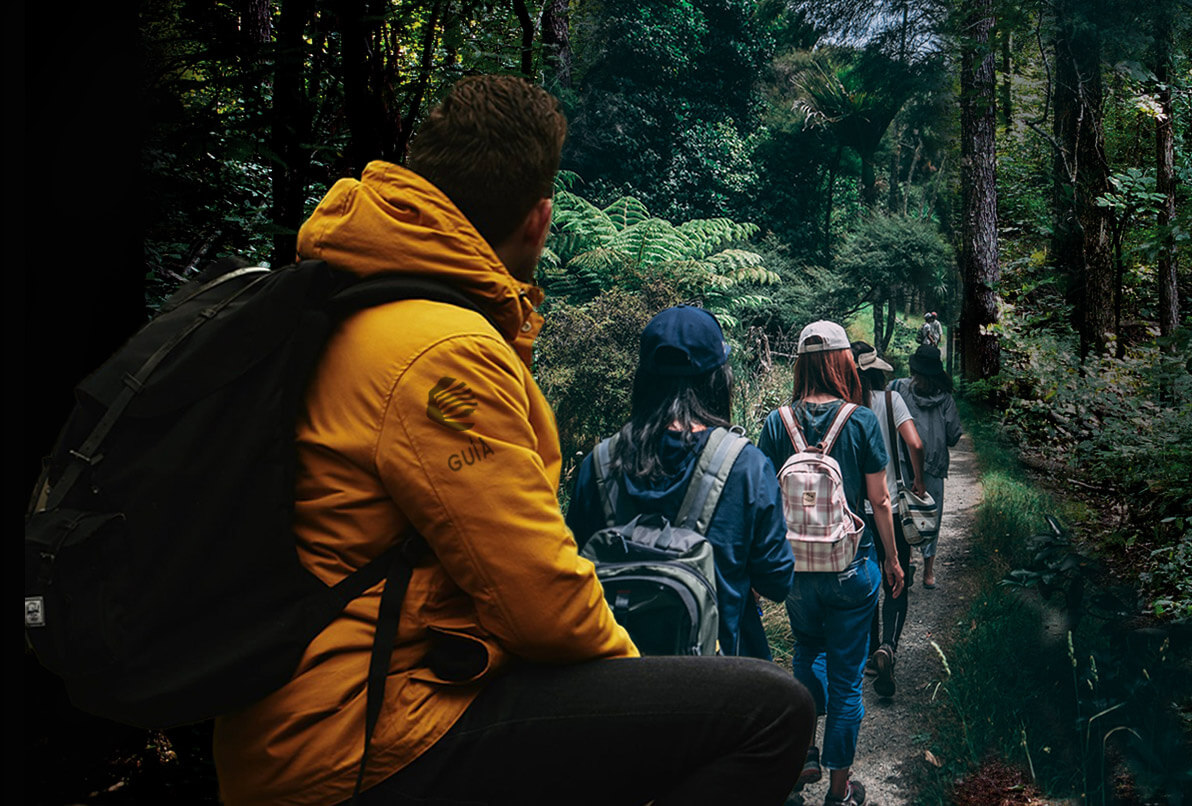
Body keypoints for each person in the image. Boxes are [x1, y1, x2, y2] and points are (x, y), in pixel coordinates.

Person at [211, 76, 813, 806]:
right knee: (773, 711)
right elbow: (542, 600)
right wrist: (644, 708)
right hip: (368, 732)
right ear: (538, 219)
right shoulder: (441, 351)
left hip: (295, 718)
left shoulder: (342, 301)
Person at [566, 304, 795, 658]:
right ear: (719, 379)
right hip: (719, 688)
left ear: (643, 379)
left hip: (614, 684)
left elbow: (572, 570)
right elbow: (777, 580)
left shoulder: (598, 465)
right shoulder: (746, 466)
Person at [758, 321, 906, 806]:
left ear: (800, 364)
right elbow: (881, 502)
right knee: (846, 681)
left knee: (807, 652)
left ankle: (803, 753)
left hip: (796, 570)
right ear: (845, 362)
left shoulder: (777, 421)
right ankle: (840, 792)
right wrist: (891, 559)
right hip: (850, 564)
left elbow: (763, 497)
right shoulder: (859, 420)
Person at [850, 340, 927, 700]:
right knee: (896, 579)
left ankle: (868, 655)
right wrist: (919, 478)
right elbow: (915, 443)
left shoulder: (844, 407)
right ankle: (888, 647)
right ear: (877, 370)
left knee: (867, 581)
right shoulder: (891, 400)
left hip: (853, 514)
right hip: (891, 507)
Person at [890, 345, 964, 589]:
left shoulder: (898, 388)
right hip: (932, 464)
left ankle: (907, 559)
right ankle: (928, 572)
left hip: (902, 462)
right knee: (931, 516)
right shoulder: (945, 399)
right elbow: (954, 435)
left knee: (902, 513)